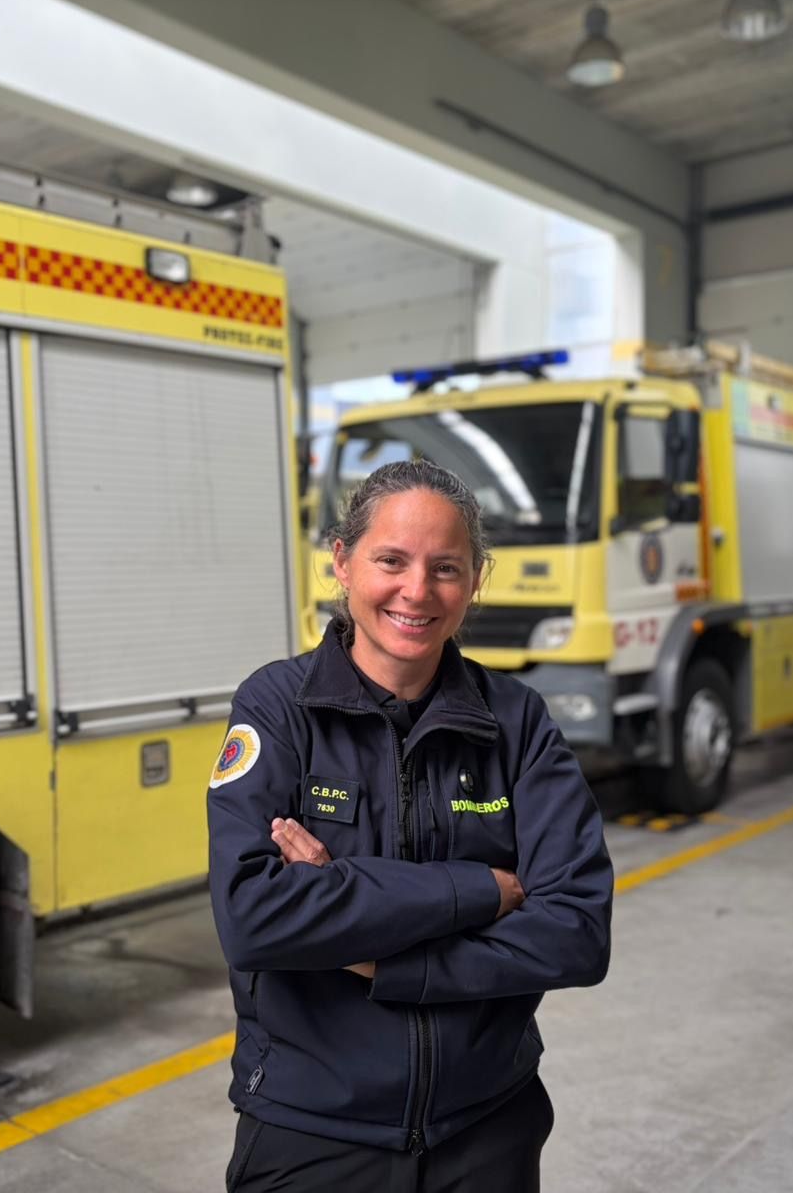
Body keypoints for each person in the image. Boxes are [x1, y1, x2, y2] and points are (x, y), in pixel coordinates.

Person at [207, 458, 614, 1192]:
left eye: (447, 568)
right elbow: (253, 918)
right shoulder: (277, 708)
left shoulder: (515, 722)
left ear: (476, 580)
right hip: (310, 1131)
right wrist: (480, 890)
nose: (417, 591)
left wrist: (384, 952)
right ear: (343, 561)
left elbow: (578, 932)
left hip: (487, 1127)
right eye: (391, 560)